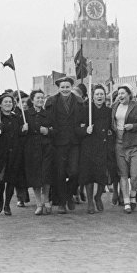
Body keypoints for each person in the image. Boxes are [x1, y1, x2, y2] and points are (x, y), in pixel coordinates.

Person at [44, 76, 85, 214]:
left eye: (68, 87)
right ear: (59, 88)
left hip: (74, 141)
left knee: (74, 172)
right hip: (58, 142)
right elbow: (48, 121)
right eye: (62, 87)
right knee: (60, 173)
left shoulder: (79, 102)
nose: (65, 89)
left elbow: (83, 119)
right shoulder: (51, 102)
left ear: (72, 87)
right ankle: (62, 202)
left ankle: (68, 194)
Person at [112, 85, 137, 213]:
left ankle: (133, 195)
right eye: (119, 93)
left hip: (135, 145)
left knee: (135, 175)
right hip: (119, 144)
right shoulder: (115, 106)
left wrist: (133, 126)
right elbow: (112, 123)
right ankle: (127, 201)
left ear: (129, 94)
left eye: (123, 93)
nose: (120, 96)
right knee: (123, 175)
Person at [0, 93, 27, 216]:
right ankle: (0, 198)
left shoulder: (17, 117)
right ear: (0, 104)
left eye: (10, 102)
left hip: (14, 153)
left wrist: (24, 130)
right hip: (0, 153)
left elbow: (21, 136)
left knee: (11, 179)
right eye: (5, 102)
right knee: (0, 180)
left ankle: (7, 204)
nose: (8, 104)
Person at [77, 84, 113, 214]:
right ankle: (90, 201)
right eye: (97, 94)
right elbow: (77, 129)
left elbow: (112, 127)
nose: (99, 96)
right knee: (89, 175)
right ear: (93, 97)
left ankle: (98, 196)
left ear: (105, 97)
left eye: (101, 94)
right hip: (88, 146)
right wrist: (85, 130)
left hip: (103, 146)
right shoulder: (86, 110)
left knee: (102, 175)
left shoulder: (109, 111)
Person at [24, 89, 54, 215]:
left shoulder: (48, 114)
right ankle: (38, 203)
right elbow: (19, 132)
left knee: (46, 175)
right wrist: (23, 129)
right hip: (31, 148)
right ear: (32, 100)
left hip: (46, 148)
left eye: (42, 98)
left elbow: (55, 130)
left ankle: (46, 199)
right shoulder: (25, 114)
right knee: (35, 176)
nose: (40, 100)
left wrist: (48, 131)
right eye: (38, 98)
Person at [13, 90, 31, 207]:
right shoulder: (14, 115)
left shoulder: (30, 113)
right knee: (19, 173)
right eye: (22, 102)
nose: (24, 104)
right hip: (18, 147)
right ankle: (21, 197)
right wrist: (21, 129)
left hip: (30, 147)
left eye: (26, 102)